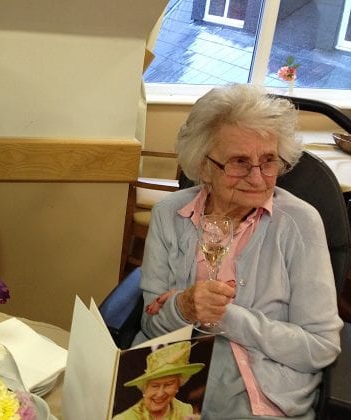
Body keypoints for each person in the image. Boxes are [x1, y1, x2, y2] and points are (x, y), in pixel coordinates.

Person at [135, 84, 342, 418]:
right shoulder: (169, 215)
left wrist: (225, 317)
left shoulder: (301, 224)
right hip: (173, 378)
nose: (258, 178)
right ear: (204, 166)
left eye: (268, 161)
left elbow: (320, 347)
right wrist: (184, 307)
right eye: (239, 162)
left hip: (262, 390)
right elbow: (151, 324)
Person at [113, 341, 204, 420]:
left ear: (178, 385)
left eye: (169, 384)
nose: (160, 394)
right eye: (154, 386)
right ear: (144, 388)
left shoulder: (185, 410)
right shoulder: (124, 418)